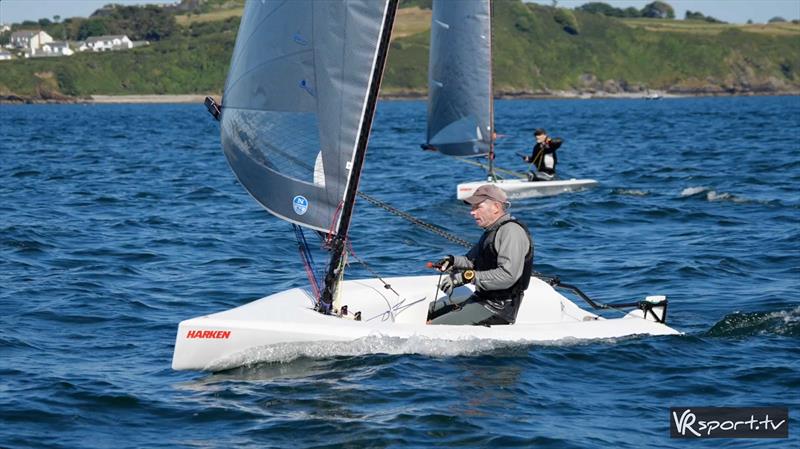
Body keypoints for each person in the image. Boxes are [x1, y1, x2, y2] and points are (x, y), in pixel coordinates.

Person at [427, 184, 533, 326]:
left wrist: (464, 277)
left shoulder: (511, 232)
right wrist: (452, 262)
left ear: (495, 207)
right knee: (429, 311)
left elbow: (508, 276)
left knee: (434, 327)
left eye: (477, 207)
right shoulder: (491, 231)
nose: (472, 212)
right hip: (480, 299)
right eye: (472, 207)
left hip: (497, 308)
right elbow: (471, 262)